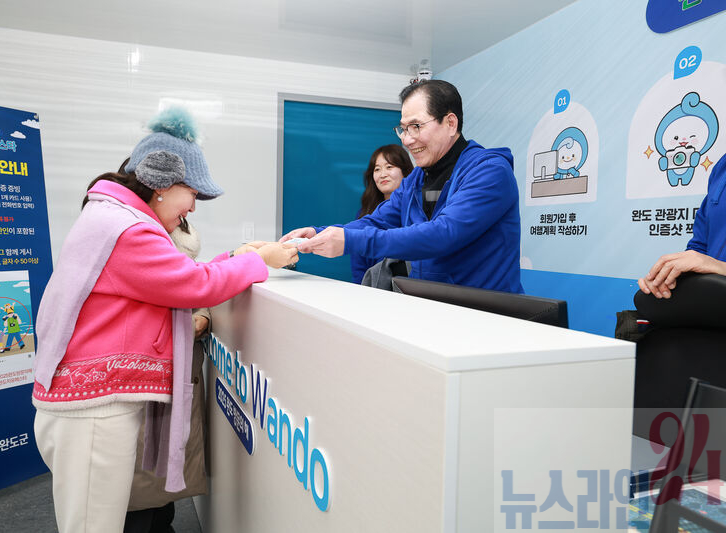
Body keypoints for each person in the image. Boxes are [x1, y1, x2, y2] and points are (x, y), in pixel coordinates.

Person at [32, 107, 298, 533]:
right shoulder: (128, 229)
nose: (193, 206)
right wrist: (259, 262)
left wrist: (234, 257)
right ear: (161, 183)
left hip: (91, 405)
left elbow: (171, 277)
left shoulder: (113, 218)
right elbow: (193, 285)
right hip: (93, 412)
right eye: (192, 193)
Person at [282, 80, 523, 293]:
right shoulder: (415, 180)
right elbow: (376, 221)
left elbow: (443, 234)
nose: (407, 140)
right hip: (431, 309)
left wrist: (350, 240)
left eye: (416, 126)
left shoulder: (489, 171)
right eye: (403, 129)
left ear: (450, 123)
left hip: (485, 315)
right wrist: (318, 232)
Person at [123, 225, 211, 533]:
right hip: (139, 387)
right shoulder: (131, 257)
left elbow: (197, 290)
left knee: (160, 484)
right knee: (139, 485)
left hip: (171, 386)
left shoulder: (174, 265)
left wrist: (202, 317)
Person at [638, 154, 726, 298]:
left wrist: (719, 267)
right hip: (711, 303)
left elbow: (710, 263)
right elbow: (700, 246)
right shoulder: (722, 166)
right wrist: (670, 276)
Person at [350, 144, 413, 283]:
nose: (383, 174)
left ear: (405, 171)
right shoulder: (365, 213)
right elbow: (358, 268)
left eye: (389, 167)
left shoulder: (416, 210)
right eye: (377, 169)